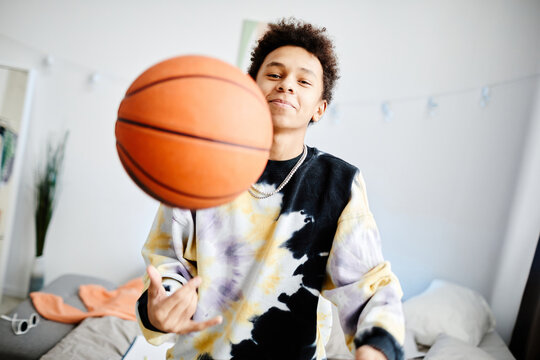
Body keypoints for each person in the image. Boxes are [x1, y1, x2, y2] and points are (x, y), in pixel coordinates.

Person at [136, 17, 406, 360]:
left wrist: (376, 348)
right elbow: (166, 264)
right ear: (250, 88)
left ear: (319, 109)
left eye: (304, 81)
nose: (286, 86)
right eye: (275, 75)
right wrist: (159, 311)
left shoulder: (339, 184)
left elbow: (370, 285)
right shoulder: (199, 166)